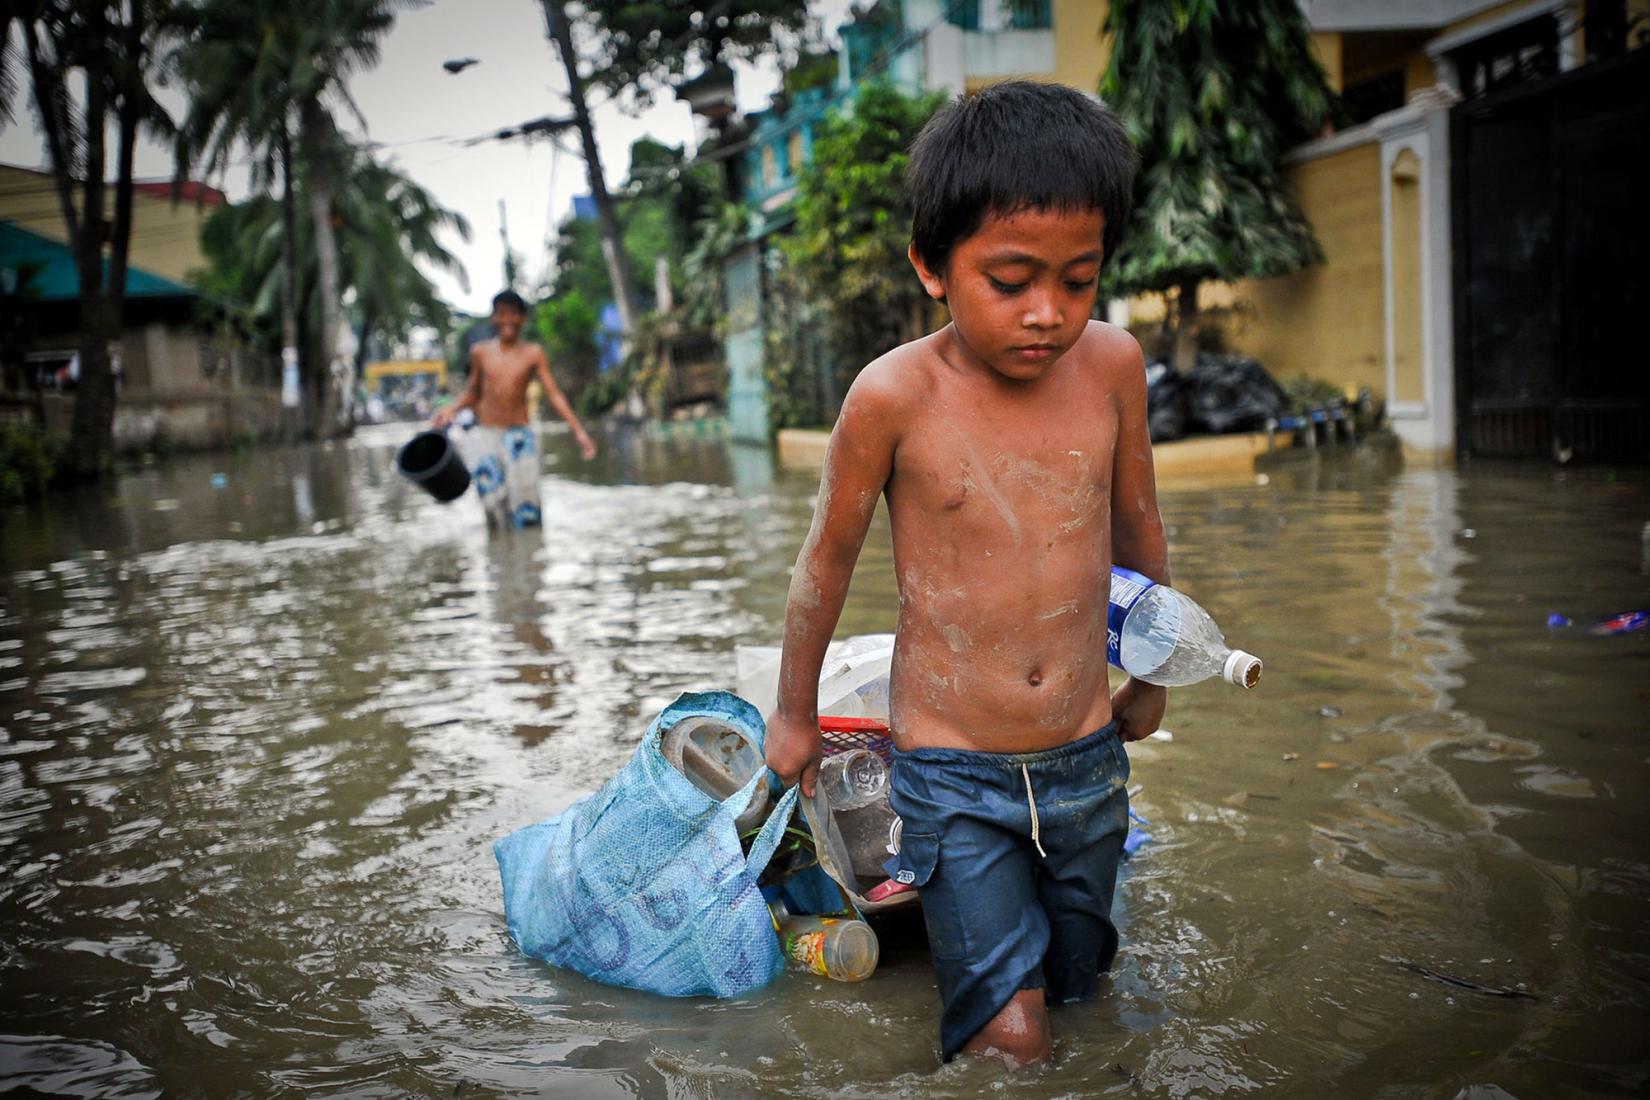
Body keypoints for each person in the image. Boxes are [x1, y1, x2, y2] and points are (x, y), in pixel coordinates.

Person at [763, 82, 1167, 1068]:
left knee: (1085, 993)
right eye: (1013, 279)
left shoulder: (1113, 366)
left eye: (1079, 279)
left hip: (1084, 757)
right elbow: (825, 563)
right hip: (951, 769)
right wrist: (793, 712)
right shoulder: (893, 395)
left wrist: (1152, 671)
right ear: (931, 266)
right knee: (1016, 1038)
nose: (1048, 312)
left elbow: (1139, 528)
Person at [432, 290, 598, 528]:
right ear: (493, 318)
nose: (507, 319)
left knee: (526, 505)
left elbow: (554, 394)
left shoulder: (533, 353)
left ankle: (529, 558)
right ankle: (500, 557)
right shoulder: (480, 352)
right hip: (487, 434)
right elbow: (473, 393)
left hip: (519, 436)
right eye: (501, 314)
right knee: (490, 502)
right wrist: (452, 409)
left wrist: (579, 432)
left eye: (513, 314)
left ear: (523, 319)